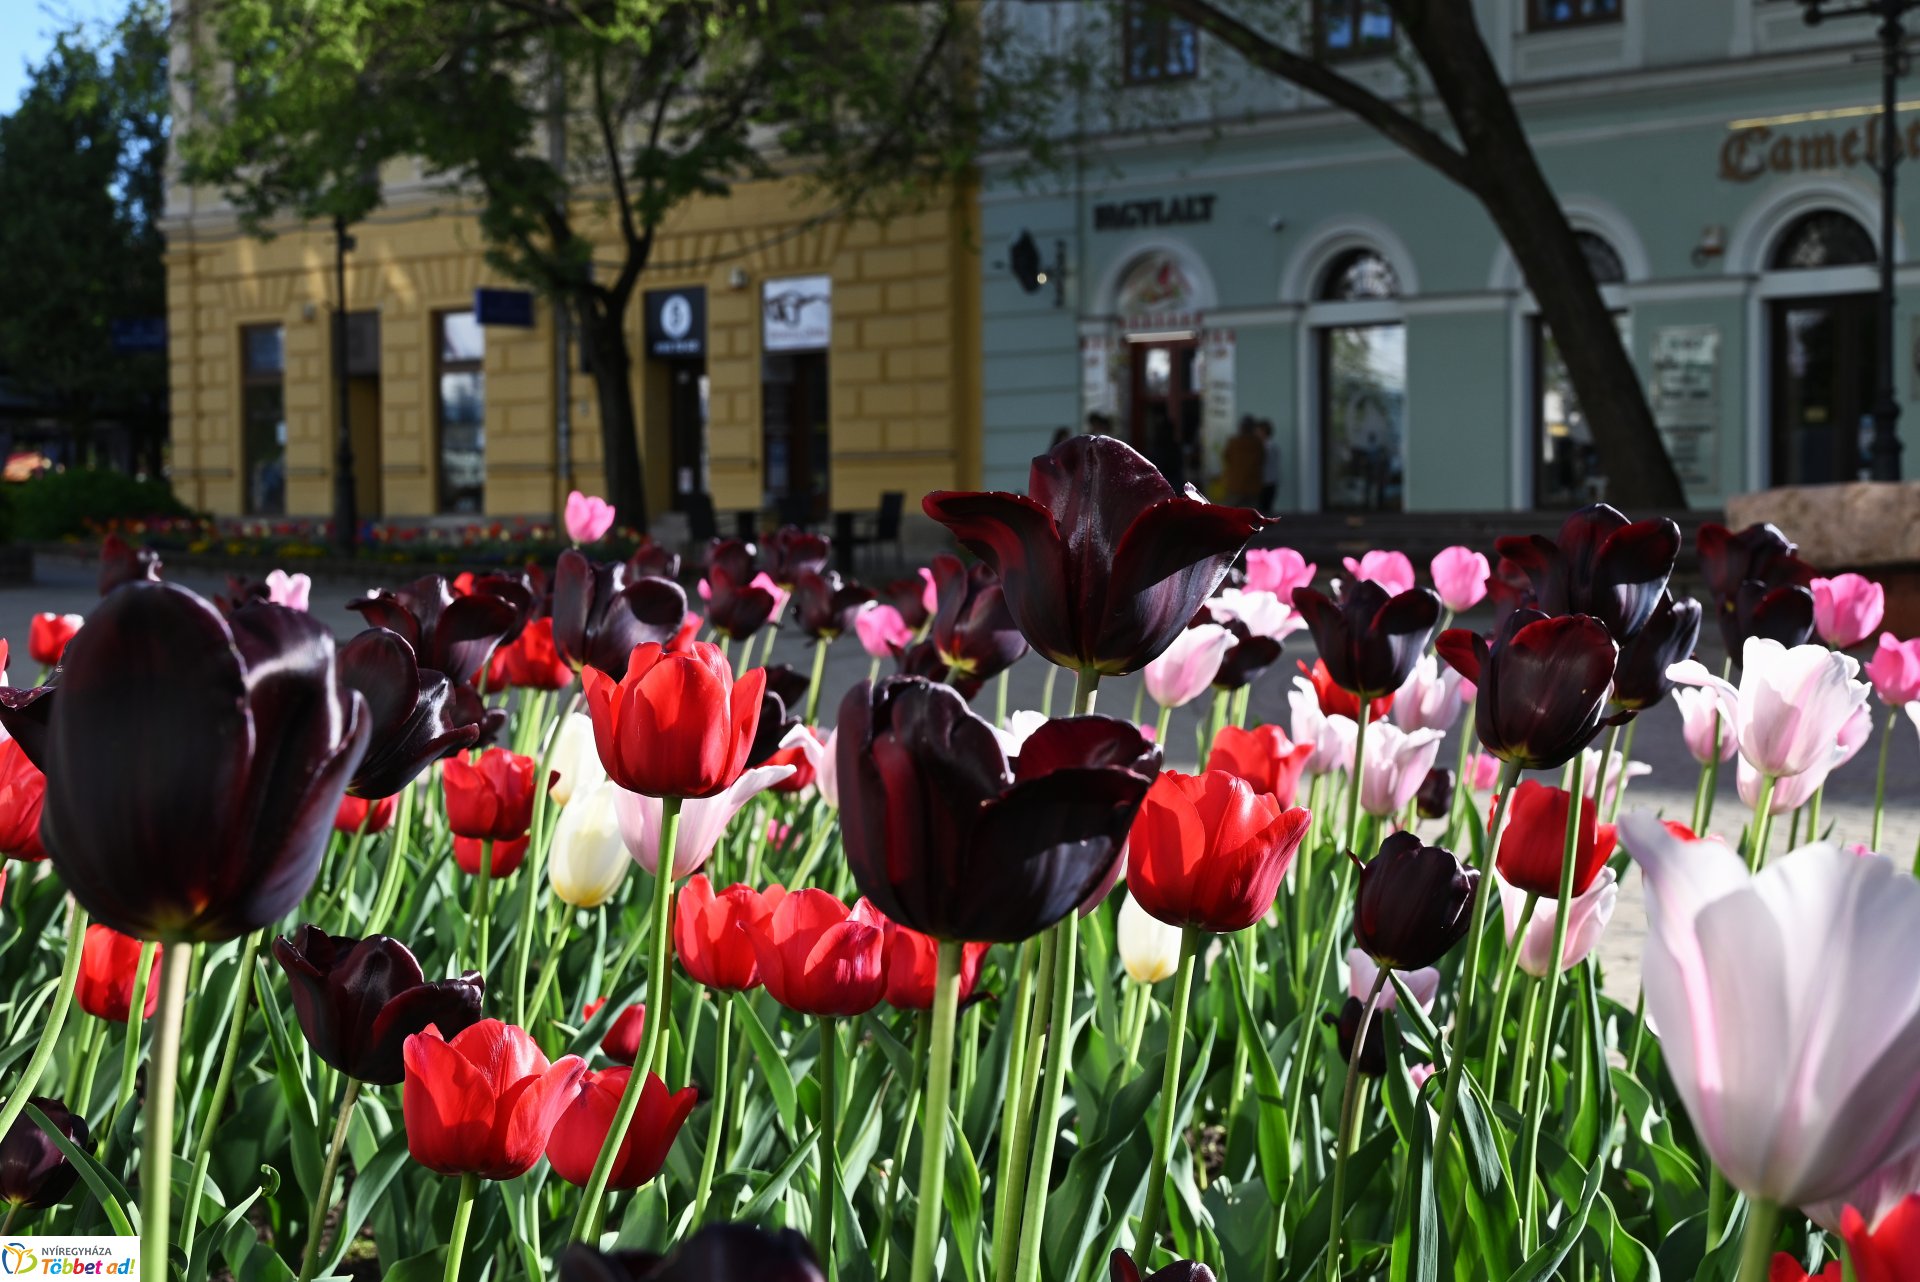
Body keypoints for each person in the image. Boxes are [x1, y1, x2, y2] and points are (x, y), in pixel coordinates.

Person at [1221, 415, 1265, 509]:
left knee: (1231, 515)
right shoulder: (1258, 444)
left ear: (1241, 427)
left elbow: (1226, 457)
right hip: (1252, 485)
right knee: (1252, 516)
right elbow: (1262, 460)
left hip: (1235, 485)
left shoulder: (1233, 442)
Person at [1258, 419, 1279, 511]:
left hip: (1266, 481)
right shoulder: (1273, 445)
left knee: (1264, 508)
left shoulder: (1267, 446)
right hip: (1270, 480)